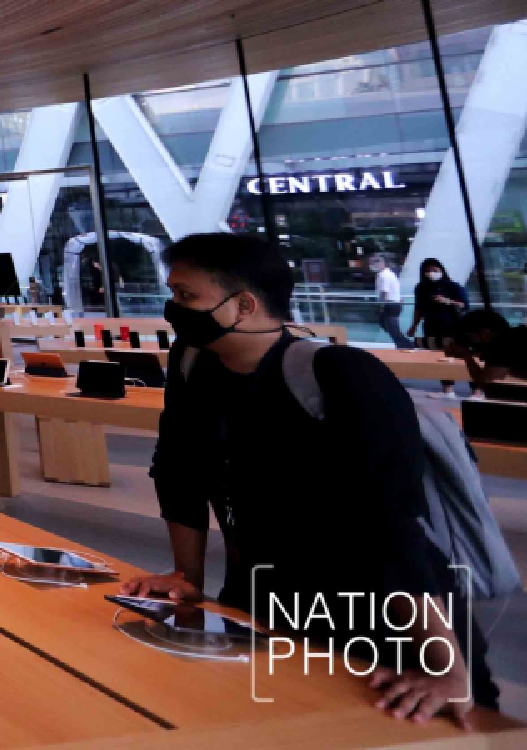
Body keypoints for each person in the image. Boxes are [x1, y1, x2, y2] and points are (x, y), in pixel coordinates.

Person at [127, 233, 495, 723]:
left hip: (386, 621)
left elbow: (392, 518)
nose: (174, 308)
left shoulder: (346, 376)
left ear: (244, 305)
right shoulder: (194, 364)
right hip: (264, 601)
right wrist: (185, 577)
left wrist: (446, 663)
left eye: (186, 296)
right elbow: (180, 471)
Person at [447, 308, 527, 392]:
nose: (470, 342)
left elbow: (487, 384)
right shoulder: (514, 336)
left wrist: (467, 356)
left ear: (485, 333)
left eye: (471, 337)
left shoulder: (501, 344)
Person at [414, 259, 470, 348]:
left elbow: (464, 305)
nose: (431, 273)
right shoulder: (421, 288)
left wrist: (447, 301)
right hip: (430, 325)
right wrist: (414, 326)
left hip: (450, 325)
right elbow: (418, 308)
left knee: (450, 350)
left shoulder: (453, 286)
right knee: (432, 350)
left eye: (434, 270)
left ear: (441, 271)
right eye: (428, 271)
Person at [375, 254, 414, 349]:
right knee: (390, 327)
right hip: (393, 304)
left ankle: (407, 345)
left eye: (377, 262)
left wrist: (381, 306)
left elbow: (384, 292)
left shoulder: (384, 275)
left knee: (392, 328)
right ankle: (403, 345)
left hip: (390, 304)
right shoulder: (389, 274)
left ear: (384, 263)